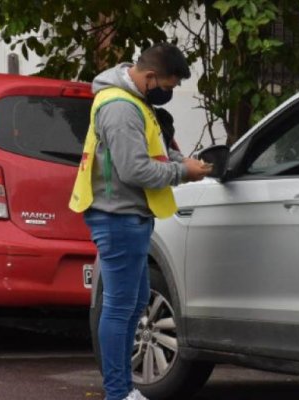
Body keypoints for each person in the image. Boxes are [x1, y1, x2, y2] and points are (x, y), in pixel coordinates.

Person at [69, 44, 212, 400]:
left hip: (129, 215)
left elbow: (153, 150)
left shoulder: (136, 102)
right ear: (150, 78)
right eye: (170, 84)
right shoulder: (120, 107)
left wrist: (182, 161)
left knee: (132, 306)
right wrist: (183, 172)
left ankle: (124, 390)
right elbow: (135, 169)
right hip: (118, 217)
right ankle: (117, 393)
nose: (171, 91)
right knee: (119, 309)